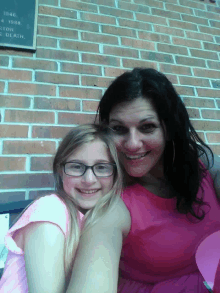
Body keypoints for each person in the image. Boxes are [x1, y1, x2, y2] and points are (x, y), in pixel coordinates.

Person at [68, 68, 220, 293]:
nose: (132, 144)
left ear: (168, 128)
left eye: (147, 127)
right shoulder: (114, 206)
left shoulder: (200, 162)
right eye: (119, 129)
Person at [0, 124, 123, 293]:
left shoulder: (101, 219)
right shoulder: (50, 212)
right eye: (76, 166)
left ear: (115, 174)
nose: (89, 179)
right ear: (60, 170)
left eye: (101, 167)